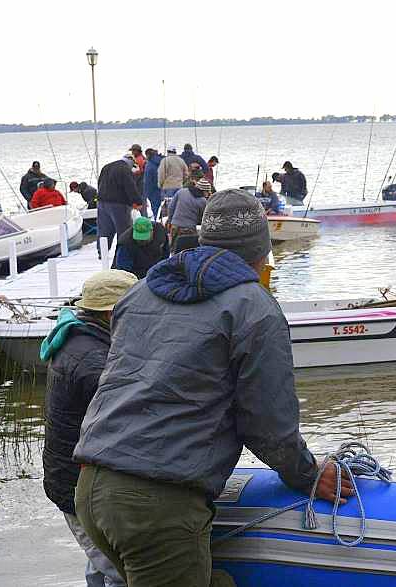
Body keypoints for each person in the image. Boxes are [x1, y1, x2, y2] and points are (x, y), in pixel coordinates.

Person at [73, 189, 350, 586]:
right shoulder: (254, 308)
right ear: (262, 252)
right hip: (156, 503)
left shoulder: (140, 292)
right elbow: (269, 424)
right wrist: (309, 474)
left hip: (91, 488)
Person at [41, 269, 138, 587]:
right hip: (77, 486)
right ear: (113, 312)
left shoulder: (81, 338)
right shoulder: (92, 360)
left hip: (68, 479)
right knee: (119, 573)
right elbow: (133, 412)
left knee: (99, 561)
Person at [97, 155, 144, 252]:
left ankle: (102, 251)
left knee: (104, 229)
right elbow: (130, 187)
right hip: (119, 204)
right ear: (130, 162)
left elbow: (99, 183)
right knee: (123, 229)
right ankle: (123, 251)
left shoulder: (106, 166)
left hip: (102, 202)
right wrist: (138, 201)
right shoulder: (125, 169)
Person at [167, 177, 213, 254]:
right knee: (189, 252)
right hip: (189, 229)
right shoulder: (202, 201)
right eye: (207, 192)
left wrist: (170, 220)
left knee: (173, 250)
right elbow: (203, 218)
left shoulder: (182, 192)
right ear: (204, 191)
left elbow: (171, 207)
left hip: (175, 226)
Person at [142, 148, 163, 219]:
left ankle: (155, 222)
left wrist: (145, 194)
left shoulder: (149, 165)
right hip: (163, 188)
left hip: (153, 191)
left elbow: (147, 181)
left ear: (148, 155)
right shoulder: (162, 161)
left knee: (155, 208)